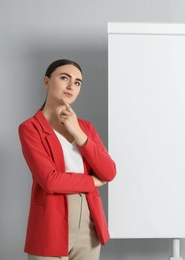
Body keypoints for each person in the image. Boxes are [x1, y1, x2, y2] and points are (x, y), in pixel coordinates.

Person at [18, 59, 116, 260]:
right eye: (64, 78)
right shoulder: (30, 128)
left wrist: (78, 133)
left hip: (89, 226)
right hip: (51, 224)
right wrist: (92, 182)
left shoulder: (85, 127)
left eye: (78, 82)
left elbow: (109, 172)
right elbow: (50, 180)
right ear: (47, 81)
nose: (71, 86)